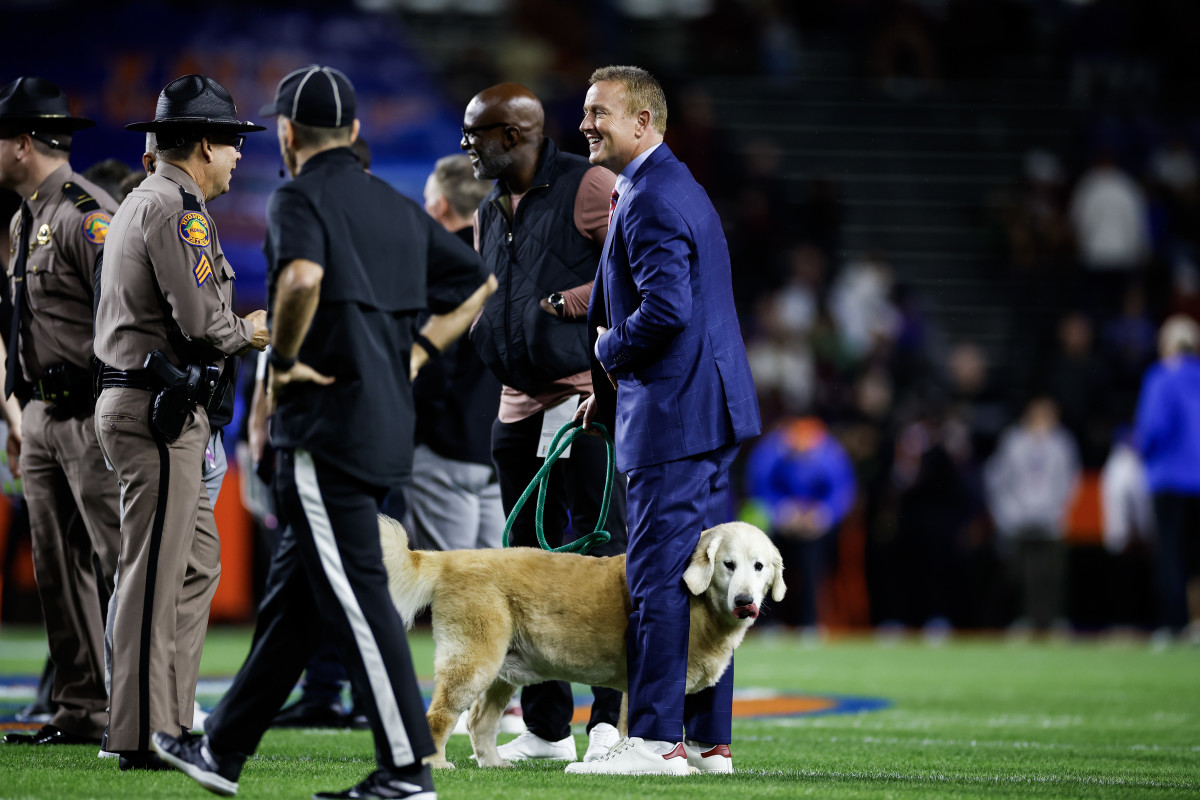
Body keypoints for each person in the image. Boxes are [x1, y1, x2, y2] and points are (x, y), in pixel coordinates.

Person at [152, 65, 492, 800]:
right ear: (357, 133)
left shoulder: (298, 197)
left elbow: (301, 279)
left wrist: (292, 356)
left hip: (326, 431)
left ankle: (405, 770)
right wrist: (419, 352)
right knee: (299, 603)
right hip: (388, 431)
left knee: (358, 596)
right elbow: (478, 284)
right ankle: (222, 748)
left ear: (286, 133)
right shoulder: (397, 208)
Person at [570, 65, 761, 775]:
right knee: (702, 577)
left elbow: (667, 310)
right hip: (700, 409)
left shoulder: (650, 197)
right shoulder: (671, 186)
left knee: (655, 578)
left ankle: (655, 741)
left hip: (675, 419)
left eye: (600, 112)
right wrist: (612, 391)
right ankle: (710, 742)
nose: (586, 123)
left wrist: (608, 352)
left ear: (644, 122)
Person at [92, 74, 270, 769]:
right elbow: (200, 321)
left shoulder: (152, 200)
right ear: (203, 143)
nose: (236, 160)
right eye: (232, 146)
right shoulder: (178, 208)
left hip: (151, 405)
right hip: (156, 412)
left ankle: (167, 717)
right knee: (153, 575)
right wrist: (250, 331)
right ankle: (138, 734)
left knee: (194, 566)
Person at [462, 82, 627, 764]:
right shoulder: (487, 210)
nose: (467, 146)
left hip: (583, 399)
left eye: (476, 134)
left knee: (602, 557)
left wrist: (569, 304)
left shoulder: (590, 185)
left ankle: (610, 724)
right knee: (525, 571)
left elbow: (634, 272)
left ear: (514, 136)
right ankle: (549, 730)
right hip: (516, 405)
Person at [0, 76, 122, 748]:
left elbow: (128, 316)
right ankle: (83, 707)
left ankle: (146, 707)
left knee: (121, 562)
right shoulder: (24, 220)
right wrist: (23, 415)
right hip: (43, 418)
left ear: (23, 144)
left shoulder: (86, 213)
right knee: (57, 567)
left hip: (88, 414)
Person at [409, 154, 503, 551]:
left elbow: (432, 363)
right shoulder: (510, 260)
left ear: (439, 205)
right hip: (500, 450)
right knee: (497, 592)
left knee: (453, 591)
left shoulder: (440, 266)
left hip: (445, 448)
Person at [743, 416, 856, 633]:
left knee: (812, 564)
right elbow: (758, 487)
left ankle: (809, 622)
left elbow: (842, 491)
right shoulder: (770, 451)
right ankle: (767, 623)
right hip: (777, 523)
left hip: (815, 526)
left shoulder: (831, 453)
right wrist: (782, 511)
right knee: (766, 562)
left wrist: (822, 514)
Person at [984, 396, 1080, 635]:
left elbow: (1070, 480)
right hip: (1019, 520)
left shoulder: (1062, 443)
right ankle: (1023, 618)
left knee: (1052, 573)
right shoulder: (1013, 441)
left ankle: (1054, 619)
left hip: (1051, 520)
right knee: (1021, 574)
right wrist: (1007, 513)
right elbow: (997, 479)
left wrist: (1060, 511)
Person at [1133, 315, 1200, 641]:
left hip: (1170, 477)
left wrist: (1140, 449)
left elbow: (1153, 429)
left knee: (1170, 554)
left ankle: (1175, 624)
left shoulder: (1161, 377)